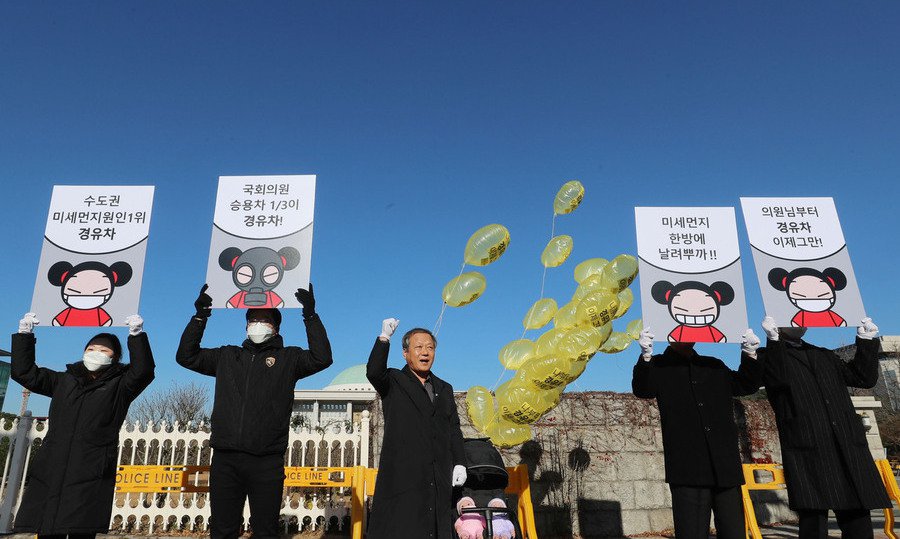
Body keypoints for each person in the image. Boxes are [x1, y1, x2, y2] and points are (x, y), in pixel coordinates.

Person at [176, 284, 332, 539]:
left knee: (266, 530)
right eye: (253, 319)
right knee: (223, 529)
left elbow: (322, 358)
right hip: (226, 458)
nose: (258, 324)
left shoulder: (289, 358)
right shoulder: (227, 356)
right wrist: (200, 317)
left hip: (266, 460)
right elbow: (186, 356)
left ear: (276, 327)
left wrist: (310, 315)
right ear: (246, 326)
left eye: (265, 319)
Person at [11, 312, 155, 539]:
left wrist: (136, 336)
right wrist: (24, 335)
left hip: (92, 469)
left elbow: (144, 372)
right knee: (47, 528)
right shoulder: (63, 380)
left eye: (104, 350)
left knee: (81, 529)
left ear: (115, 357)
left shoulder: (121, 385)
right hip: (53, 466)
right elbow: (25, 373)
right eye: (91, 349)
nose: (96, 353)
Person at [759, 316, 889, 539]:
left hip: (846, 442)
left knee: (857, 514)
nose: (800, 322)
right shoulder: (769, 355)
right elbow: (776, 379)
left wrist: (866, 341)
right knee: (813, 520)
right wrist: (773, 340)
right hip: (808, 444)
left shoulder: (824, 354)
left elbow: (863, 378)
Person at [632, 325, 762, 539]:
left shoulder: (714, 365)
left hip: (725, 466)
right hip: (687, 468)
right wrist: (645, 357)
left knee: (734, 533)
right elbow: (642, 389)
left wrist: (750, 353)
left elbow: (746, 385)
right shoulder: (658, 366)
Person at [366, 319, 467, 539]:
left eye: (430, 348)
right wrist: (384, 338)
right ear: (405, 353)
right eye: (418, 347)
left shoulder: (444, 388)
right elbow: (373, 372)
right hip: (403, 476)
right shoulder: (394, 380)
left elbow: (454, 429)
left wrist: (460, 462)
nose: (425, 352)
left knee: (437, 527)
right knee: (404, 527)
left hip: (438, 474)